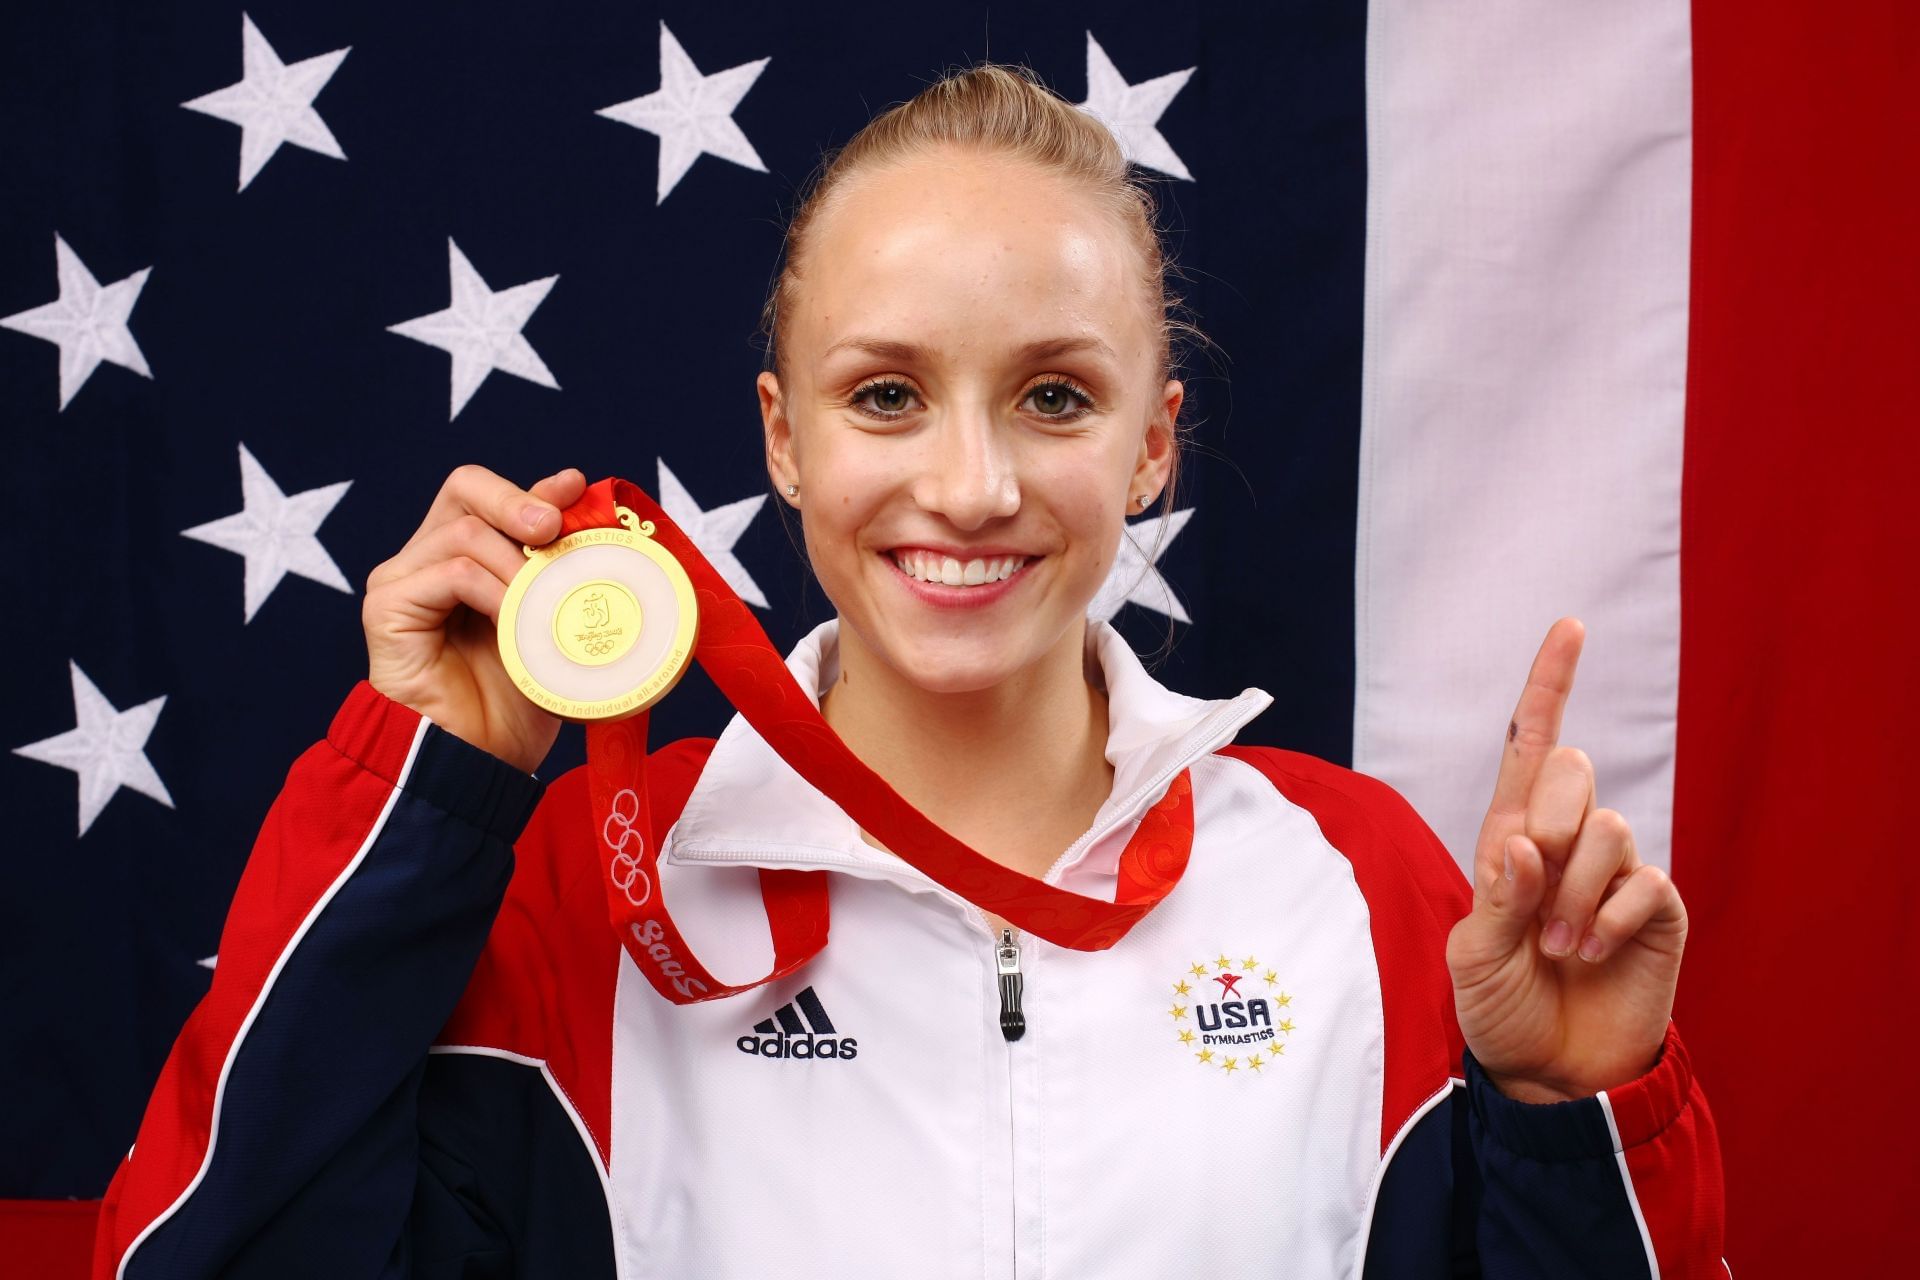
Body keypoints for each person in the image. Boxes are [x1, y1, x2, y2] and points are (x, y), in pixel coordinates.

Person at [90, 64, 1724, 1278]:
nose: (970, 487)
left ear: (1155, 447)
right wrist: (421, 804)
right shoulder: (581, 902)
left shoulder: (1362, 888)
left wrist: (1579, 1111)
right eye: (885, 398)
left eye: (1055, 400)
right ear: (781, 439)